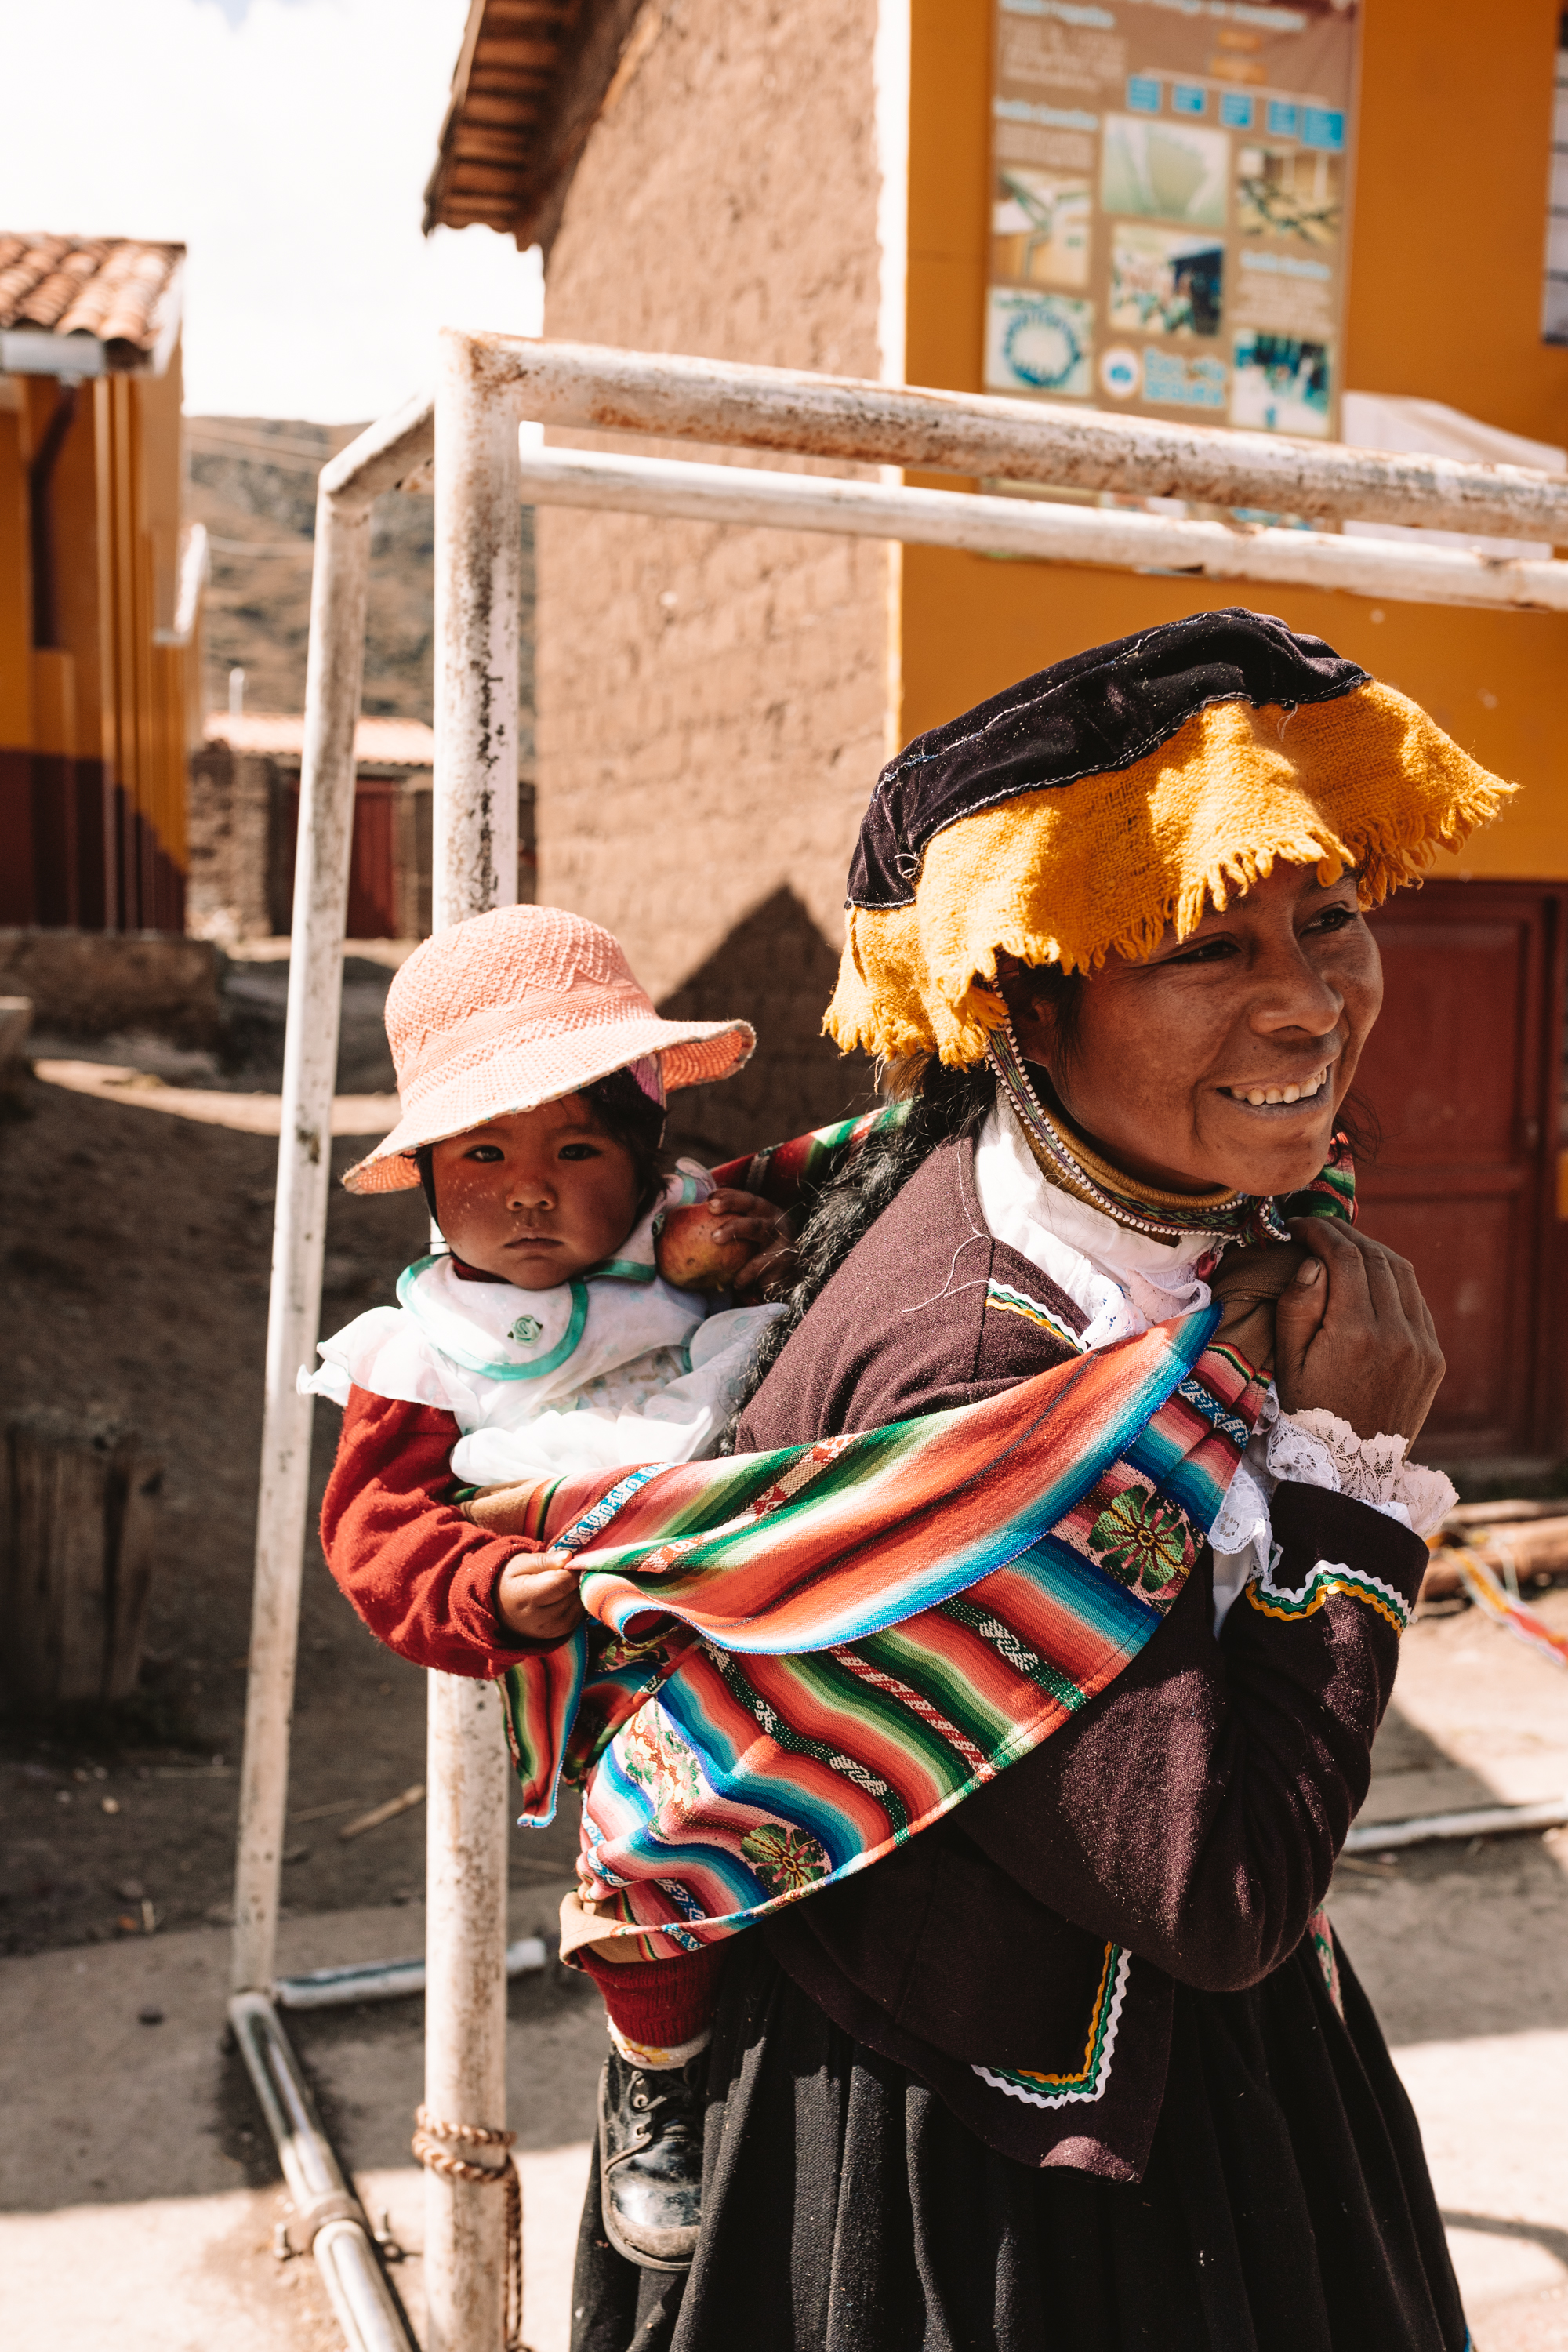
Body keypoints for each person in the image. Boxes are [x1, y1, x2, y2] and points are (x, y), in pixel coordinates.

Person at [309, 903, 791, 2269]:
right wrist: (495, 1583)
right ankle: (661, 2078)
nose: (529, 1189)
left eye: (577, 1148)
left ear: (645, 1161)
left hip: (754, 1580)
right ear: (427, 1179)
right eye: (485, 1153)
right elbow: (376, 1533)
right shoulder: (422, 1351)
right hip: (605, 1649)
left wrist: (752, 1259)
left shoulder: (700, 1254)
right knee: (653, 1837)